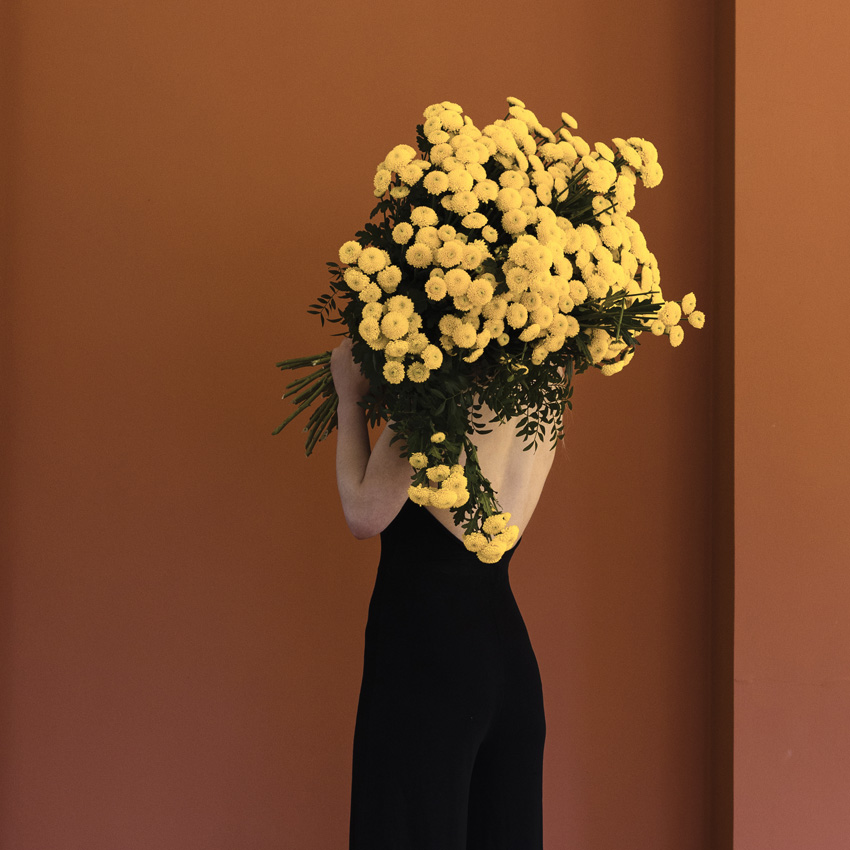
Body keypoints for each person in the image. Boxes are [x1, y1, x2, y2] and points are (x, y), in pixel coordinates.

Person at [331, 337, 562, 850]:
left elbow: (365, 512)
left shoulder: (441, 382)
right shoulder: (545, 381)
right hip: (508, 665)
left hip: (427, 660)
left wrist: (350, 395)